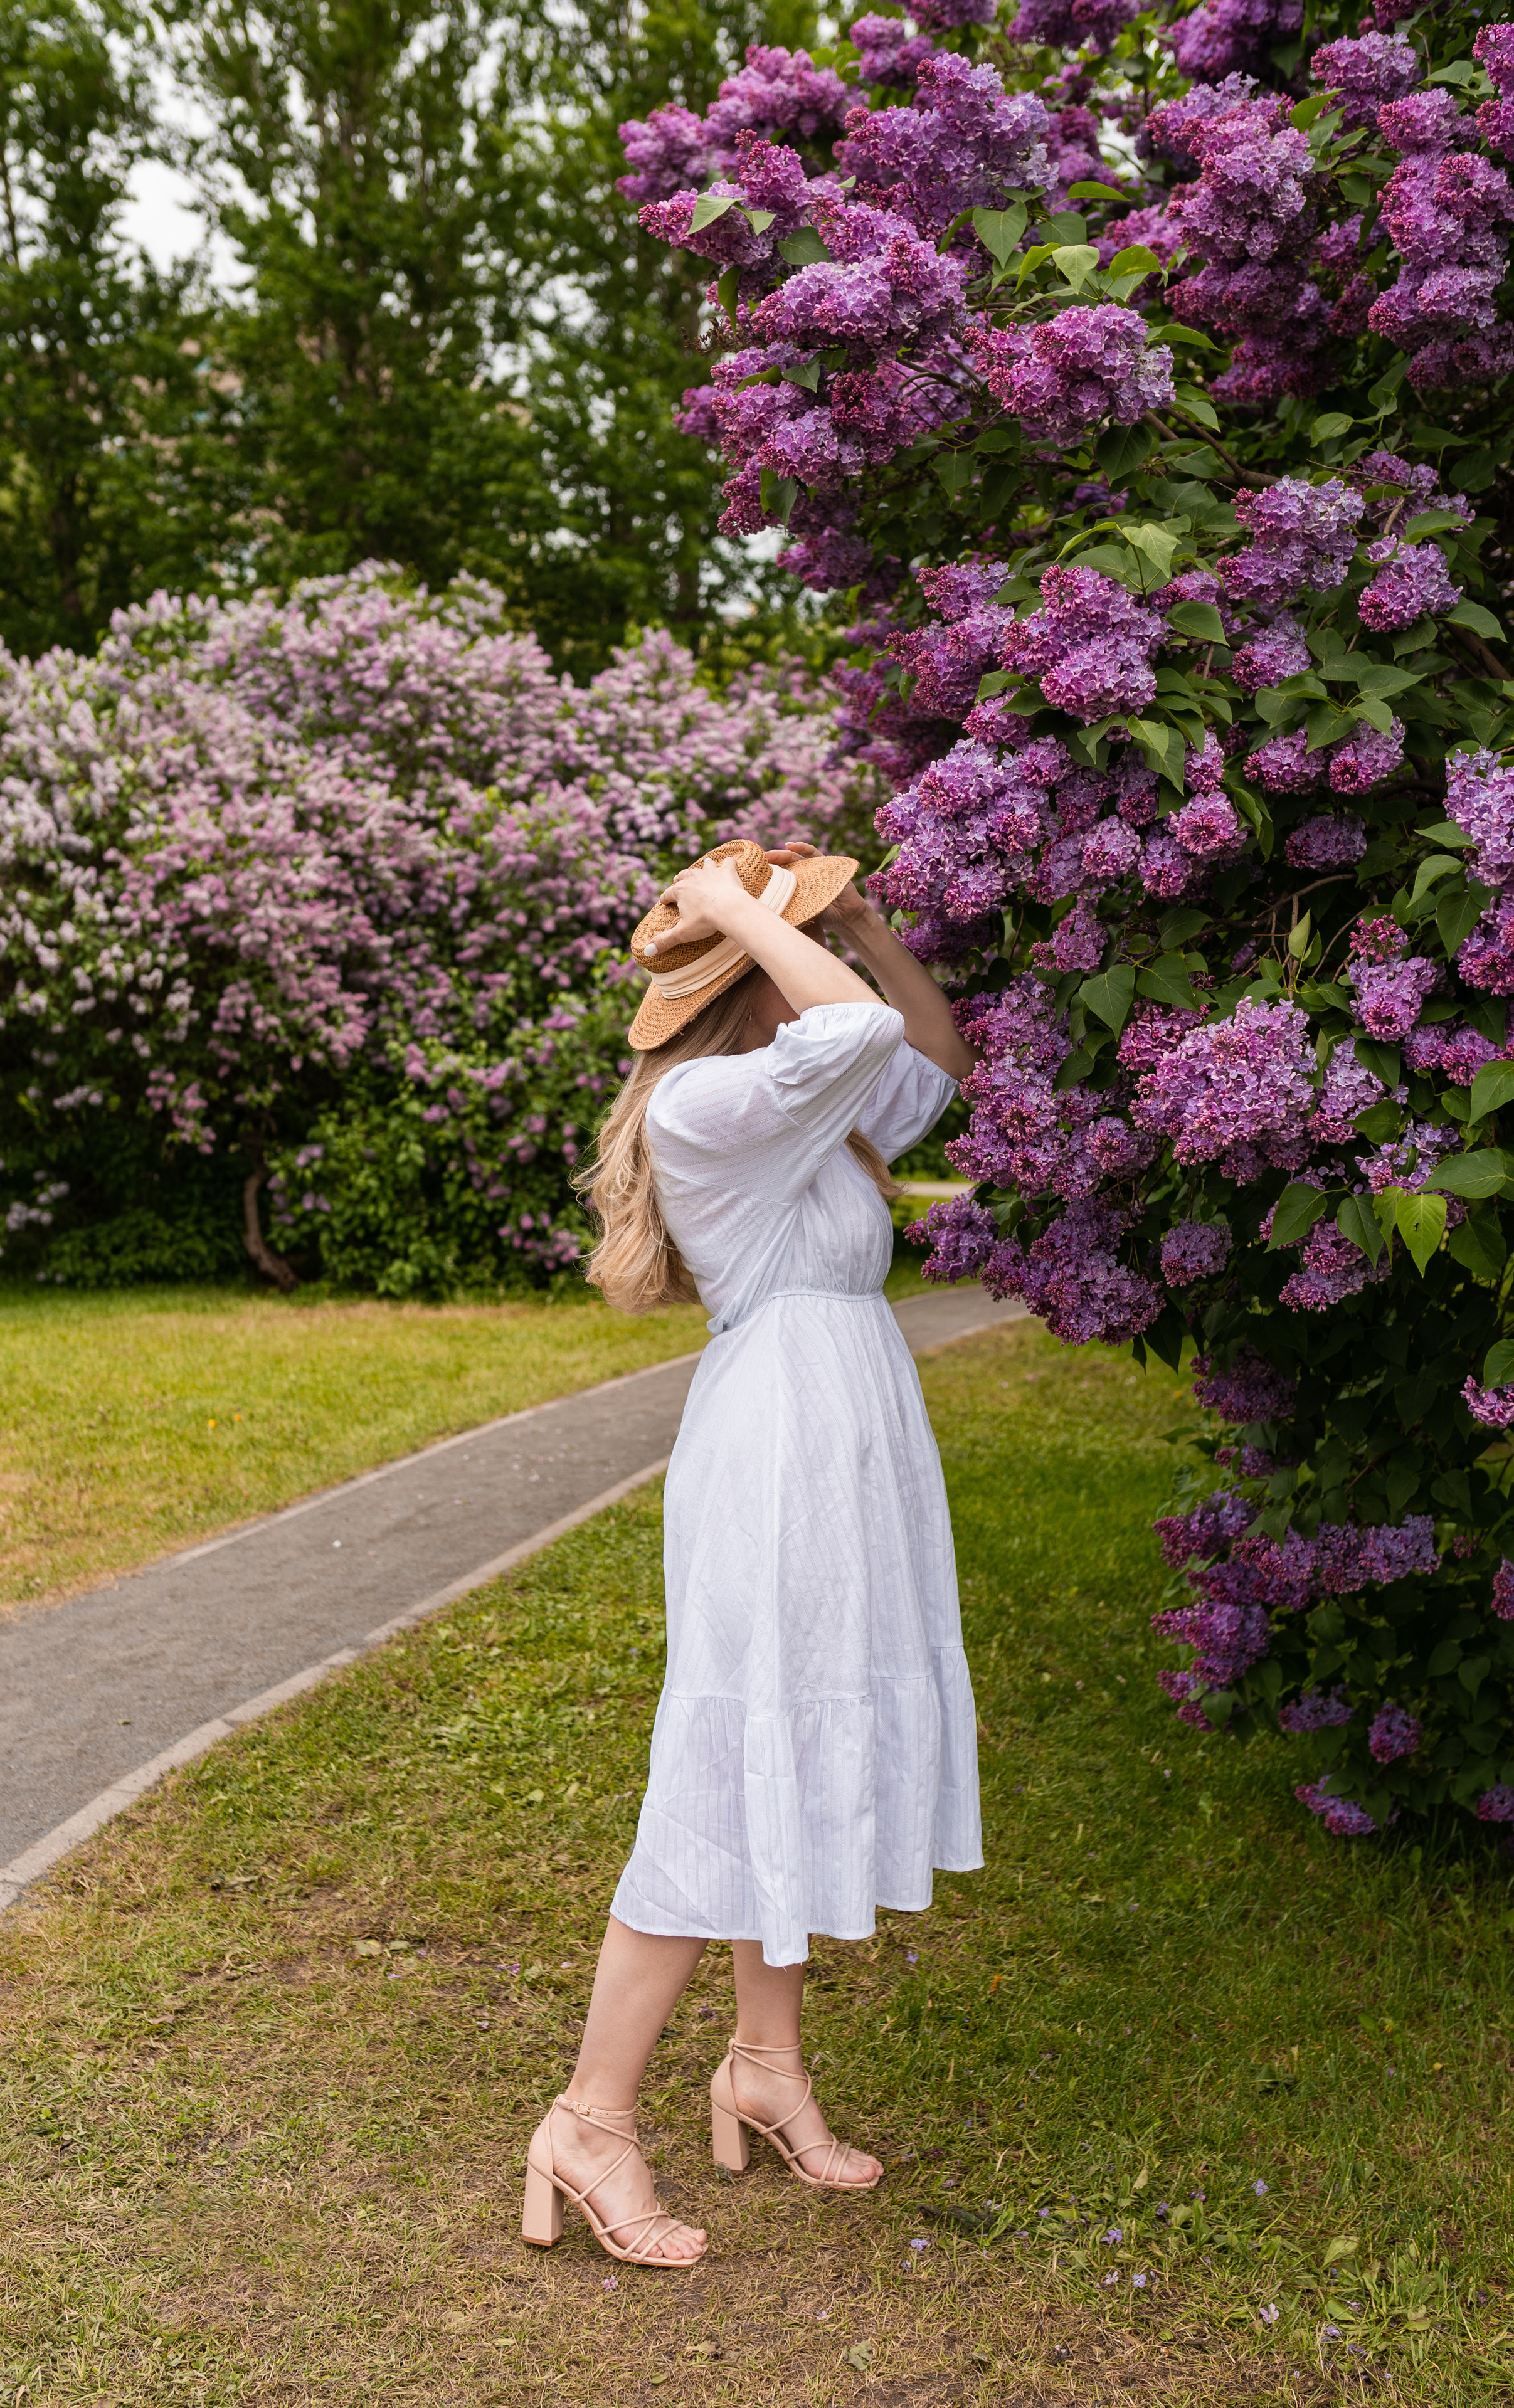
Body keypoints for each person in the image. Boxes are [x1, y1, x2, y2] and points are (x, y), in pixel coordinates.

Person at [521, 836, 983, 2268]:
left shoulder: (817, 1105)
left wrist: (851, 914)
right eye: (789, 950)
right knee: (728, 1761)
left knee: (789, 1748)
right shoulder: (710, 1103)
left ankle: (764, 2067)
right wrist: (731, 907)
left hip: (846, 1440)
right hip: (775, 1450)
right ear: (741, 988)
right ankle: (589, 2121)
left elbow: (932, 1054)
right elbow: (850, 1025)